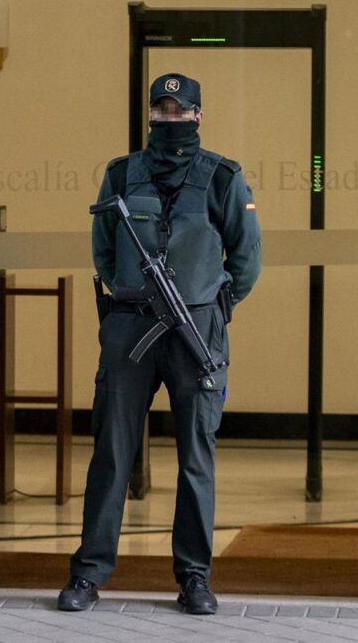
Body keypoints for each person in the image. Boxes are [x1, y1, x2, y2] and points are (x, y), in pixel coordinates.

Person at [57, 73, 261, 615]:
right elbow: (103, 250)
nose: (170, 119)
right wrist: (131, 294)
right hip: (131, 327)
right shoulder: (122, 174)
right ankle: (88, 574)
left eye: (179, 111)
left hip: (195, 330)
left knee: (196, 457)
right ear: (149, 114)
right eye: (161, 110)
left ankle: (194, 578)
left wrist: (214, 306)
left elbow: (245, 258)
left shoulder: (222, 177)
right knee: (112, 452)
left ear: (198, 115)